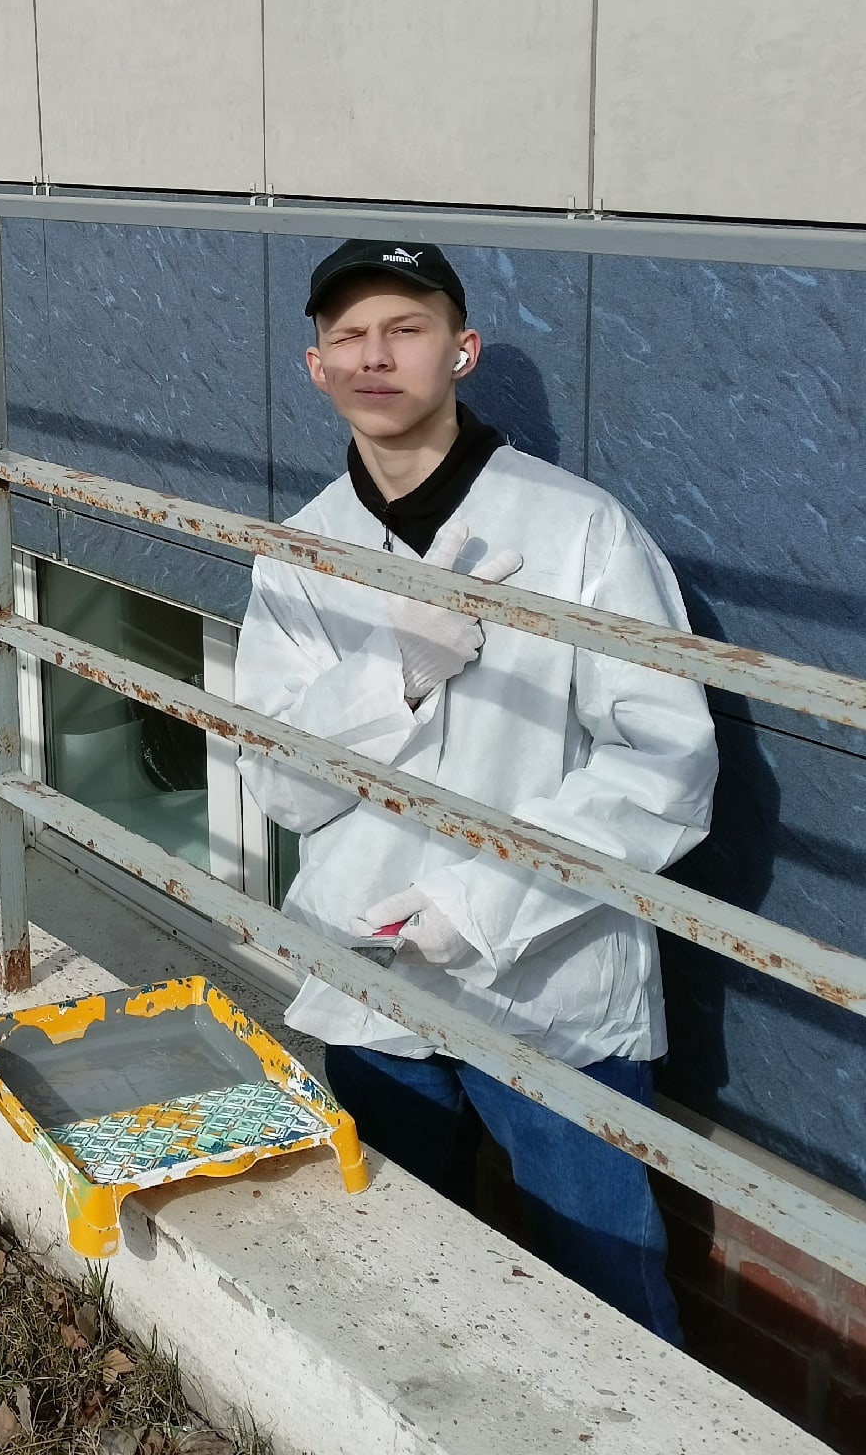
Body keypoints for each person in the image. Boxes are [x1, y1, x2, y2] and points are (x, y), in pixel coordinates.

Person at [236, 238, 716, 1343]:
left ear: (460, 351)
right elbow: (280, 788)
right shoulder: (300, 551)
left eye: (402, 329)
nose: (372, 357)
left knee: (610, 1303)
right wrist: (392, 673)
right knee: (405, 1284)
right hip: (367, 969)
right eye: (345, 336)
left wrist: (485, 902)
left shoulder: (577, 530)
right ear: (314, 366)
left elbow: (666, 763)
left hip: (545, 985)